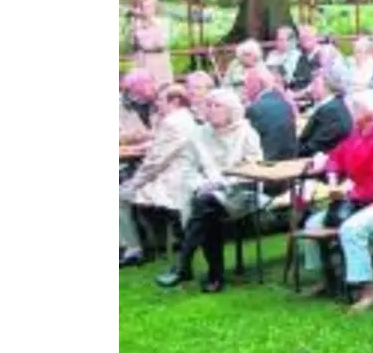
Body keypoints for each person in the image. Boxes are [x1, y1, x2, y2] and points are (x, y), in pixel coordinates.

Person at [296, 90, 373, 312]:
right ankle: (326, 279)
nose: (351, 111)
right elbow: (336, 156)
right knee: (312, 223)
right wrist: (331, 175)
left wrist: (347, 193)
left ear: (370, 111)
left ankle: (368, 290)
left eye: (356, 107)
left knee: (352, 228)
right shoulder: (357, 133)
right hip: (359, 200)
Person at [156, 89, 264, 292]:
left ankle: (187, 266)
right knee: (206, 207)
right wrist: (201, 184)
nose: (211, 110)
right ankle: (210, 276)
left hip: (241, 193)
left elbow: (254, 170)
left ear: (231, 110)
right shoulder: (198, 134)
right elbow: (187, 170)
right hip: (206, 195)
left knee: (204, 206)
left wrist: (223, 183)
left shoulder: (246, 133)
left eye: (217, 105)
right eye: (208, 105)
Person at [119, 85, 197, 267]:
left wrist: (133, 184)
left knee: (118, 196)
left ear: (175, 101)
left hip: (172, 183)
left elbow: (154, 163)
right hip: (182, 176)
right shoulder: (186, 118)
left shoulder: (172, 123)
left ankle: (133, 249)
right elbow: (162, 149)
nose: (157, 105)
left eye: (161, 101)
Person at [242, 67, 298, 162]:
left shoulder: (254, 109)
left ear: (257, 85)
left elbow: (246, 141)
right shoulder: (285, 102)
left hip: (266, 162)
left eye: (246, 84)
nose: (245, 89)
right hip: (289, 159)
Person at [298, 64, 354, 157]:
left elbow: (317, 145)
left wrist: (290, 153)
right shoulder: (331, 105)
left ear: (327, 87)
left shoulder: (332, 111)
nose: (311, 89)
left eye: (315, 84)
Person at [128, 0, 174, 85]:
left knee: (161, 88)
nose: (146, 10)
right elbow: (133, 45)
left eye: (149, 7)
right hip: (141, 63)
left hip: (159, 64)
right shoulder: (136, 24)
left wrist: (149, 21)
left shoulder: (163, 22)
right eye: (143, 7)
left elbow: (161, 44)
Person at [119, 70, 158, 146]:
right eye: (148, 82)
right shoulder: (120, 105)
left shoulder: (159, 103)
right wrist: (134, 135)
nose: (154, 86)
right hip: (129, 153)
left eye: (153, 82)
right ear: (135, 86)